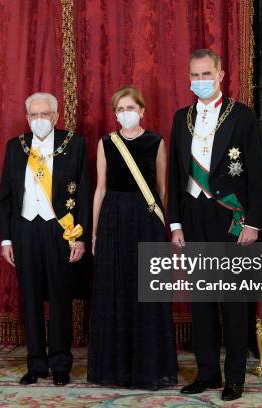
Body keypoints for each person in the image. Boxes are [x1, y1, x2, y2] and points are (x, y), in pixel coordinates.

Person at [168, 49, 262, 401]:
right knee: (202, 301)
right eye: (194, 75)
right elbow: (176, 175)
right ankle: (207, 373)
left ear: (221, 74)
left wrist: (253, 224)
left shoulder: (242, 116)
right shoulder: (182, 118)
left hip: (231, 217)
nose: (200, 81)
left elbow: (257, 176)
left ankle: (234, 378)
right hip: (193, 215)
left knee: (233, 302)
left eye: (206, 74)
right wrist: (176, 223)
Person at [87, 86, 178, 390]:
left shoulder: (156, 142)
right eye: (119, 110)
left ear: (141, 111)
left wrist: (165, 227)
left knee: (146, 292)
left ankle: (149, 368)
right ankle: (116, 369)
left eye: (130, 108)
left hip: (147, 219)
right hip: (113, 217)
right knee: (116, 287)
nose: (125, 114)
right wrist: (95, 231)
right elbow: (100, 189)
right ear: (115, 114)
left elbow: (162, 189)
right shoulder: (106, 143)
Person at [0, 92, 91, 386]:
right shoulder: (16, 147)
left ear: (55, 116)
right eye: (34, 115)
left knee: (61, 297)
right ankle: (36, 364)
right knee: (30, 298)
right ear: (27, 118)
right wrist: (6, 240)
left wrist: (81, 237)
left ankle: (61, 363)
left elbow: (85, 194)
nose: (40, 120)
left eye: (45, 115)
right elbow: (6, 197)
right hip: (25, 228)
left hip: (59, 230)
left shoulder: (73, 144)